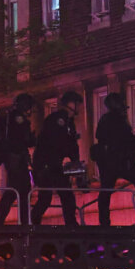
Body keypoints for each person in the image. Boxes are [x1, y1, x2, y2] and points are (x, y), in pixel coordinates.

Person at [92, 92, 135, 226]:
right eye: (122, 106)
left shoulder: (112, 120)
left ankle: (104, 222)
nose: (124, 110)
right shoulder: (112, 121)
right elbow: (117, 141)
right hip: (116, 162)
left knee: (107, 191)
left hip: (117, 162)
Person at [31, 91, 83, 226]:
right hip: (46, 165)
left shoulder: (69, 123)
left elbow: (72, 146)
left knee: (66, 196)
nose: (79, 107)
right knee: (46, 198)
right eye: (77, 103)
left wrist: (76, 165)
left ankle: (71, 225)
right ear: (70, 104)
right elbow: (57, 143)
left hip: (56, 166)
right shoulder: (58, 120)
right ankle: (33, 224)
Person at [0, 93, 37, 226]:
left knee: (17, 189)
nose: (29, 110)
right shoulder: (18, 118)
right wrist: (32, 139)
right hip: (16, 158)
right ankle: (19, 222)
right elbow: (23, 139)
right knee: (19, 189)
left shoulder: (7, 118)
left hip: (11, 158)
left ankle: (0, 221)